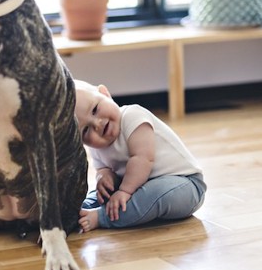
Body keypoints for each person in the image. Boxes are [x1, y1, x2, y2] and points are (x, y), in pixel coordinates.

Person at [73, 79, 206, 232]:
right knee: (103, 193)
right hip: (137, 186)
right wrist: (104, 178)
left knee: (153, 193)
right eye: (85, 130)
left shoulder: (133, 117)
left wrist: (124, 191)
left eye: (95, 109)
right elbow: (102, 168)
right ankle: (79, 210)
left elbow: (142, 158)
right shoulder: (96, 147)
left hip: (184, 185)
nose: (98, 124)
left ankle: (101, 217)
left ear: (105, 94)